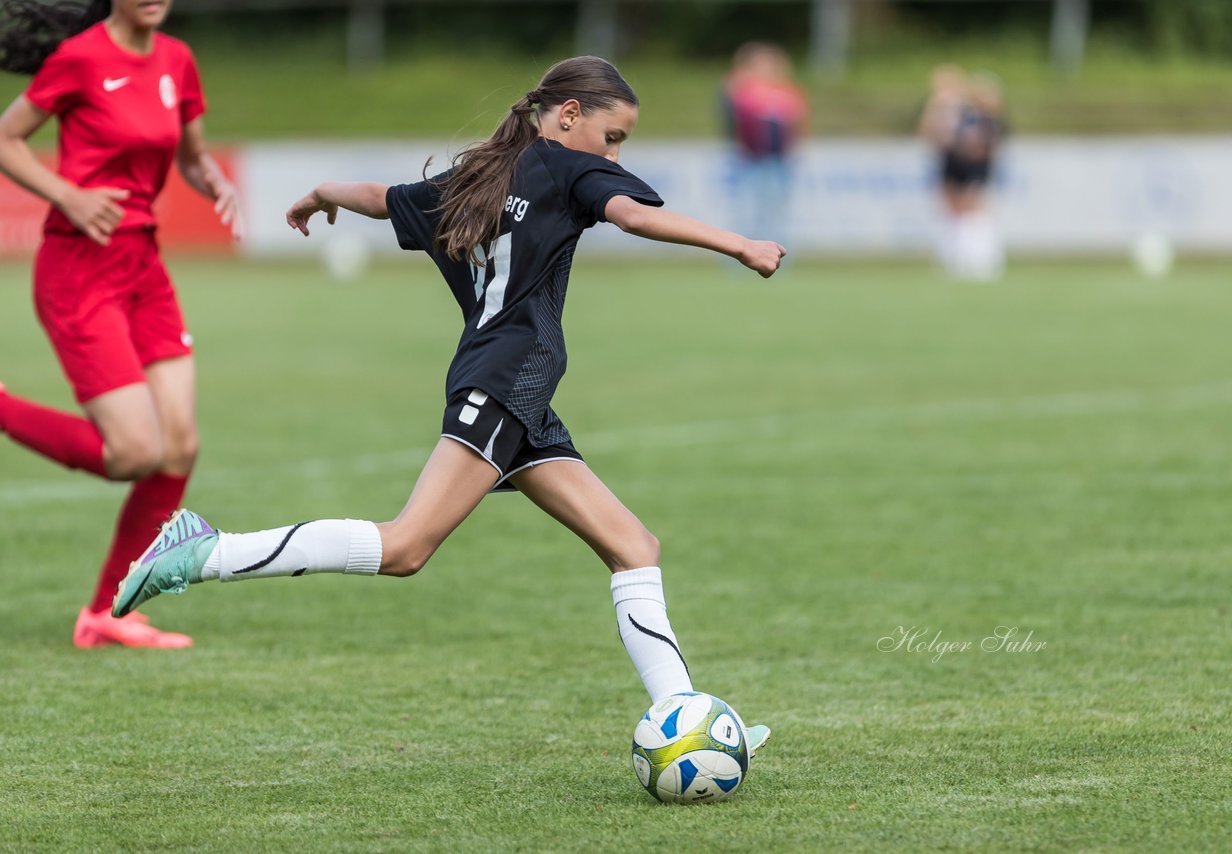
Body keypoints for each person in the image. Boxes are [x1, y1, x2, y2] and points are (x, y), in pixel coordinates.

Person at [113, 56, 780, 747]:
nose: (615, 154)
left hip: (518, 395)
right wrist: (738, 245)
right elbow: (633, 218)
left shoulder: (483, 178)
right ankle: (204, 551)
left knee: (634, 547)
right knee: (405, 546)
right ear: (569, 115)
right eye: (614, 137)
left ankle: (689, 722)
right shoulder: (567, 166)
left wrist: (322, 193)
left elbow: (382, 196)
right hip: (502, 386)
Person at [0, 0, 240, 648]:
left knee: (179, 448)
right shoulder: (79, 59)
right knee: (136, 452)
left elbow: (189, 155)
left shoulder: (176, 61)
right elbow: (5, 137)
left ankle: (109, 612)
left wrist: (211, 178)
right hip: (78, 270)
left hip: (143, 267)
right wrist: (67, 194)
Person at [918, 65, 1006, 281]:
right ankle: (956, 259)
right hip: (953, 162)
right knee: (952, 210)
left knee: (974, 208)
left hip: (974, 163)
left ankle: (982, 259)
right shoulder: (953, 111)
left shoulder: (981, 113)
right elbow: (932, 135)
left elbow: (988, 134)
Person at [722, 41, 808, 247]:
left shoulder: (788, 91)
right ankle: (739, 254)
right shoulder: (743, 89)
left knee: (777, 211)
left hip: (779, 160)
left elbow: (799, 122)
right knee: (746, 210)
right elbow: (730, 107)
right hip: (750, 159)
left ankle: (778, 255)